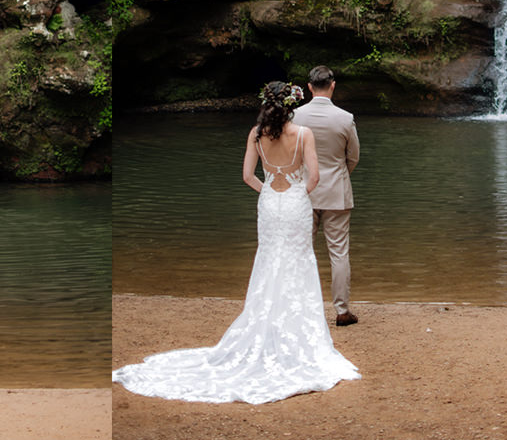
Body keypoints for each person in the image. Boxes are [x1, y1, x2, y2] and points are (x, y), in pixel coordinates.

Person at [112, 81, 359, 404]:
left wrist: (269, 191)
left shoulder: (256, 134)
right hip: (297, 203)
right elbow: (313, 177)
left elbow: (247, 176)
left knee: (269, 259)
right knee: (299, 260)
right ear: (291, 104)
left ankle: (265, 324)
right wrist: (298, 194)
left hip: (270, 204)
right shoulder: (303, 135)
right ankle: (299, 332)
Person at [292, 65, 360, 326]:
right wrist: (340, 175)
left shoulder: (295, 116)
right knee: (339, 253)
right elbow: (353, 157)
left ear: (309, 87)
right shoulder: (345, 118)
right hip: (337, 193)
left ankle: (300, 309)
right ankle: (342, 310)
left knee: (301, 251)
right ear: (333, 85)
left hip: (303, 191)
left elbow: (291, 154)